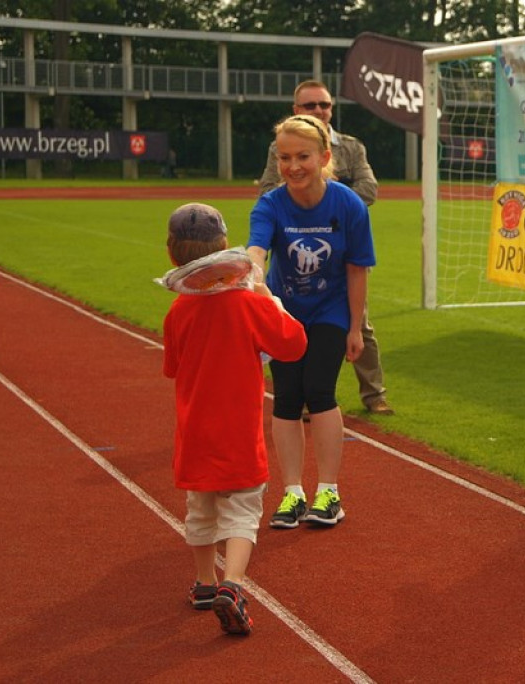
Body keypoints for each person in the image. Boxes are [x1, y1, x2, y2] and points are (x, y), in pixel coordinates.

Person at [162, 202, 307, 634]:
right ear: (224, 248)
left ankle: (205, 583)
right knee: (242, 510)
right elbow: (294, 344)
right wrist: (266, 297)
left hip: (195, 432)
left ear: (172, 255)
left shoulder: (177, 312)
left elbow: (172, 366)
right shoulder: (248, 304)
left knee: (201, 510)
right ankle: (233, 584)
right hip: (239, 432)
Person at [248, 115, 376, 530]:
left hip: (330, 310)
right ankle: (292, 493)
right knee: (286, 396)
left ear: (324, 157)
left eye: (303, 156)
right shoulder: (270, 204)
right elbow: (256, 252)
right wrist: (254, 277)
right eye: (284, 158)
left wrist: (355, 327)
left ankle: (329, 491)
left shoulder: (347, 204)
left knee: (319, 389)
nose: (293, 166)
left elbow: (358, 269)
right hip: (285, 310)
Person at [258, 79, 393, 416]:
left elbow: (368, 188)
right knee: (295, 326)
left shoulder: (350, 146)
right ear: (296, 110)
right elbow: (269, 188)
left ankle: (374, 394)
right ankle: (302, 398)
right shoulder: (280, 145)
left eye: (324, 105)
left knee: (358, 324)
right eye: (310, 106)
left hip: (343, 250)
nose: (318, 110)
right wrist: (307, 197)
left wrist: (332, 204)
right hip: (295, 251)